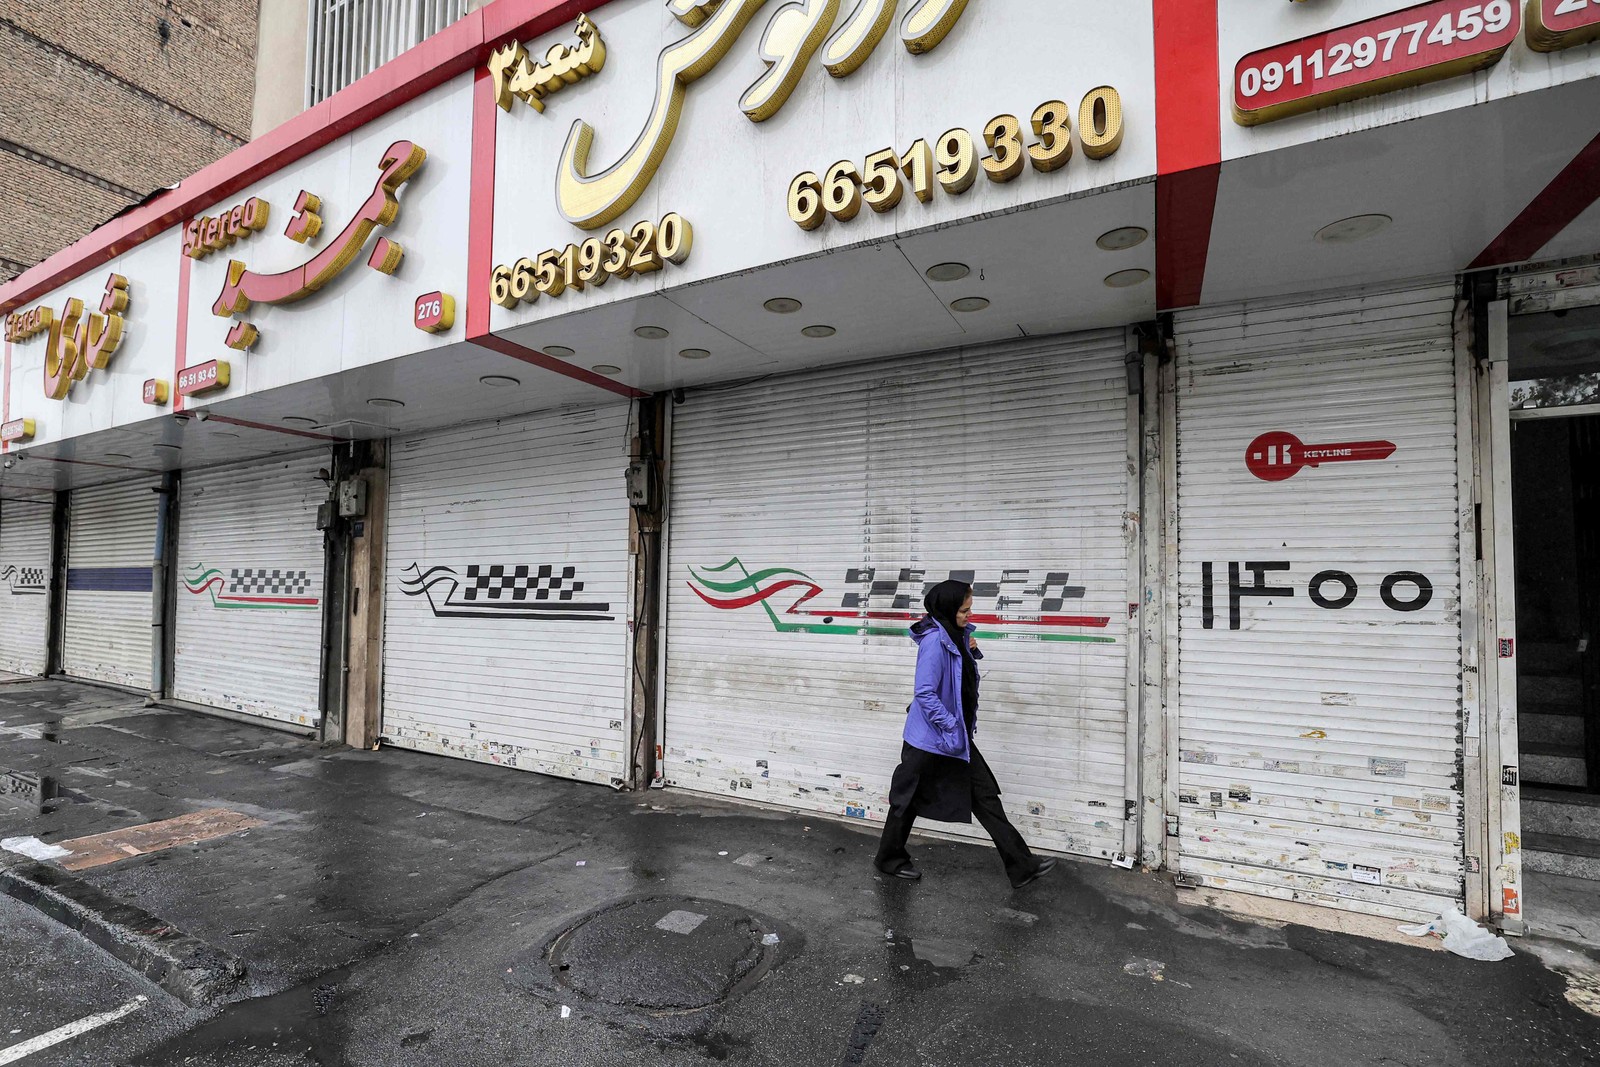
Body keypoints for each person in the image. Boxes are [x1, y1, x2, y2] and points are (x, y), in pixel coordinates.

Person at [873, 579, 1058, 888]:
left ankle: (1022, 866)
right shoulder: (935, 642)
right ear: (947, 609)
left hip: (955, 739)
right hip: (928, 739)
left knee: (985, 797)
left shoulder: (956, 635)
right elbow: (925, 693)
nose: (968, 615)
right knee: (905, 801)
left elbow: (962, 678)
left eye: (969, 609)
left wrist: (972, 649)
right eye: (963, 610)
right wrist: (950, 725)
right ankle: (888, 859)